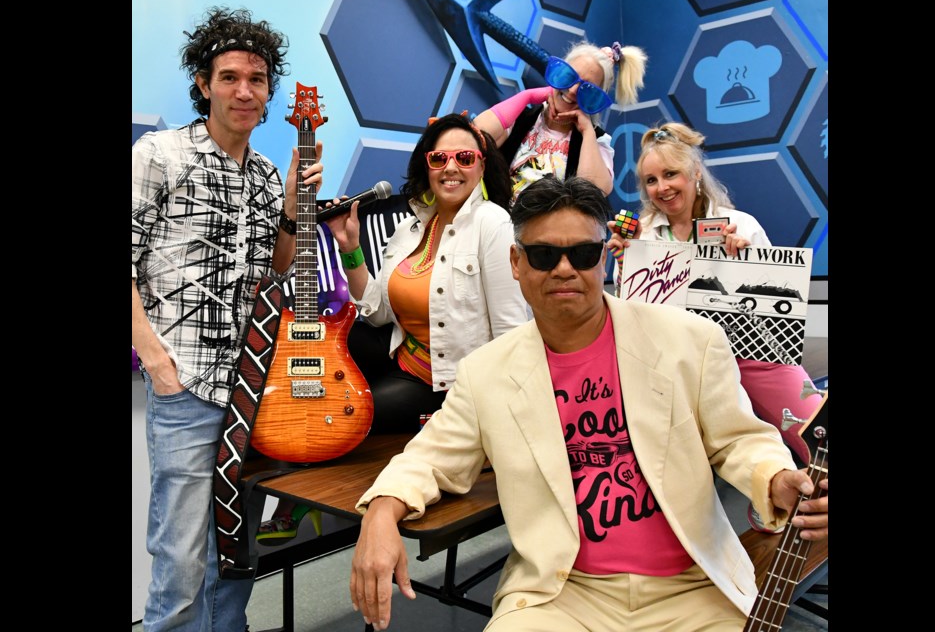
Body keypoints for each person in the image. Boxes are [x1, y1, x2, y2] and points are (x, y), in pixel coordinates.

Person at [348, 175, 828, 632]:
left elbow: (740, 440)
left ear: (604, 259)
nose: (563, 268)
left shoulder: (689, 341)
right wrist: (381, 512)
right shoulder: (487, 372)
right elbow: (431, 457)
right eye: (543, 255)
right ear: (515, 263)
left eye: (582, 253)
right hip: (561, 596)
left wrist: (777, 478)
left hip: (694, 588)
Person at [132, 6, 324, 631]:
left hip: (255, 390)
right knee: (183, 559)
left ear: (270, 91)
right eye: (230, 77)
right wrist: (155, 360)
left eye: (258, 79)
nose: (245, 90)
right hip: (185, 387)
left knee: (237, 546)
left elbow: (279, 268)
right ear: (203, 83)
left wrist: (295, 202)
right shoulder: (159, 154)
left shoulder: (268, 174)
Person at [257, 113, 530, 543]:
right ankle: (281, 459)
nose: (451, 167)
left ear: (481, 164)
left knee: (344, 416)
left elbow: (514, 333)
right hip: (402, 354)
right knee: (319, 349)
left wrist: (497, 425)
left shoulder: (493, 223)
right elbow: (380, 313)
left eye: (464, 157)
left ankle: (294, 500)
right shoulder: (410, 226)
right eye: (439, 158)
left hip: (445, 383)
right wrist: (350, 249)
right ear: (426, 165)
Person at [607, 122, 822, 464]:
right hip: (675, 367)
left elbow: (777, 313)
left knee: (819, 429)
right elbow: (628, 317)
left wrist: (748, 263)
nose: (662, 188)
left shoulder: (741, 225)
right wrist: (623, 267)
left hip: (752, 355)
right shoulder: (639, 238)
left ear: (694, 173)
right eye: (651, 180)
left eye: (670, 174)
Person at [473, 40, 647, 200]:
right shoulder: (520, 118)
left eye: (587, 89)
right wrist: (528, 95)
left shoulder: (596, 141)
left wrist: (587, 132)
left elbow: (593, 193)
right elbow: (475, 139)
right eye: (568, 76)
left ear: (595, 99)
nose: (572, 90)